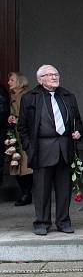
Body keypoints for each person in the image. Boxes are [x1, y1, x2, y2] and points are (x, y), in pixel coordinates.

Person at [17, 65, 83, 236]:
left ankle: (63, 221)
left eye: (56, 74)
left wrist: (78, 133)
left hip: (64, 148)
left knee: (64, 189)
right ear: (40, 79)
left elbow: (77, 121)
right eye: (50, 75)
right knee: (41, 189)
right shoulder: (30, 98)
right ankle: (42, 222)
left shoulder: (67, 96)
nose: (54, 77)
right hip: (41, 149)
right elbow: (22, 127)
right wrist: (29, 148)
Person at [7, 72, 32, 206]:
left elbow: (30, 116)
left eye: (12, 80)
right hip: (15, 136)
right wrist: (10, 117)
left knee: (25, 166)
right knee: (17, 164)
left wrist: (17, 119)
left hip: (24, 136)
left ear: (19, 82)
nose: (9, 82)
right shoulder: (11, 96)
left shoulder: (25, 96)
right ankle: (25, 193)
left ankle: (27, 194)